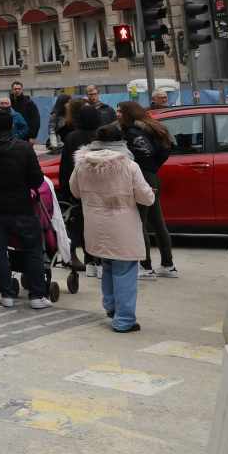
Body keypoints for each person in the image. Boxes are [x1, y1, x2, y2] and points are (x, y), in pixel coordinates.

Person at [70, 107, 155, 333]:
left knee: (107, 265)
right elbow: (146, 197)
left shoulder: (82, 164)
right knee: (125, 271)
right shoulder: (129, 165)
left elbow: (75, 191)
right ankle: (124, 320)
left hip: (96, 225)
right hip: (123, 227)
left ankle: (111, 307)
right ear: (121, 142)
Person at [0, 110, 50, 309]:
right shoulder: (23, 149)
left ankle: (6, 294)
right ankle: (37, 295)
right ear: (11, 126)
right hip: (22, 206)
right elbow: (37, 179)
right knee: (33, 248)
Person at [120, 101, 177, 279]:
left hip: (141, 177)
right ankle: (168, 265)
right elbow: (167, 148)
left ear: (128, 113)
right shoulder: (151, 128)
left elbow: (144, 153)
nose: (117, 115)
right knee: (157, 221)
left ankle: (146, 267)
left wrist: (147, 167)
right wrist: (154, 167)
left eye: (120, 112)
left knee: (140, 223)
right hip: (151, 176)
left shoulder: (132, 133)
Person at [55, 98, 92, 272]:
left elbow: (66, 166)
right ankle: (89, 259)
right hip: (88, 187)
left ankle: (76, 256)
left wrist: (65, 187)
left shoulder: (72, 135)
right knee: (81, 222)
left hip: (78, 186)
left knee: (76, 222)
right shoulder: (72, 132)